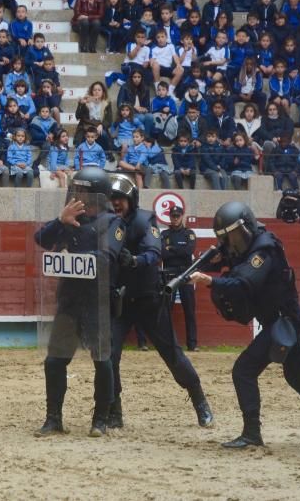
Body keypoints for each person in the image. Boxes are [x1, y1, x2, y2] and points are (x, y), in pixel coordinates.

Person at [189, 202, 300, 448]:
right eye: (227, 238)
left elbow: (243, 283)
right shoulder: (246, 248)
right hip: (281, 320)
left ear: (246, 228)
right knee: (297, 374)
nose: (231, 242)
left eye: (234, 235)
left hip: (283, 321)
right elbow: (230, 259)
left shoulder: (264, 250)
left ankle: (252, 433)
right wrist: (208, 263)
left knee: (244, 370)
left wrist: (210, 281)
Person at [107, 174, 212, 430]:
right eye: (113, 199)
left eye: (120, 199)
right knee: (109, 356)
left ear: (131, 199)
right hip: (120, 301)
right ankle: (114, 411)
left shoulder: (146, 220)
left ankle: (200, 401)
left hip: (148, 299)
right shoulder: (107, 222)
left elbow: (153, 252)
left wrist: (135, 261)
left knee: (171, 353)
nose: (116, 203)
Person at [34, 167, 117, 437]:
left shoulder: (112, 222)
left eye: (82, 191)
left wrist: (74, 258)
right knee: (54, 361)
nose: (77, 195)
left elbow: (108, 257)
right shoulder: (70, 217)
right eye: (75, 190)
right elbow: (42, 240)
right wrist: (60, 220)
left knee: (102, 361)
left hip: (98, 302)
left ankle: (101, 419)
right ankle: (53, 419)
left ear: (96, 196)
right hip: (68, 301)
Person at [161, 206, 198, 351]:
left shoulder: (189, 233)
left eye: (177, 216)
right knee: (166, 309)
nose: (175, 219)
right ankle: (168, 343)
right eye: (173, 216)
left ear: (182, 216)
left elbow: (189, 251)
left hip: (185, 274)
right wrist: (177, 251)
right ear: (169, 217)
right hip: (169, 274)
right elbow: (163, 254)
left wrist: (172, 249)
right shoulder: (164, 234)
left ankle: (192, 344)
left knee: (189, 309)